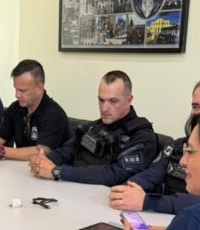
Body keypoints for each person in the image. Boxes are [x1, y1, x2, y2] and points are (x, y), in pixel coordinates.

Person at [109, 75, 200, 213]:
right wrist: (127, 191)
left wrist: (148, 202)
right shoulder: (178, 145)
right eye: (195, 106)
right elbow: (151, 174)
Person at [29, 70, 157, 186]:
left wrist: (58, 171)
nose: (104, 108)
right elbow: (69, 150)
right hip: (73, 192)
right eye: (101, 100)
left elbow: (115, 175)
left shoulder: (142, 136)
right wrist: (43, 161)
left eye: (113, 101)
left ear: (129, 100)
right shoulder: (92, 127)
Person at [0, 59, 70, 161]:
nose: (17, 95)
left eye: (22, 90)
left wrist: (0, 150)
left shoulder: (54, 115)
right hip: (21, 170)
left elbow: (40, 152)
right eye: (16, 89)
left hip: (51, 173)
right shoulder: (16, 108)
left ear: (39, 88)